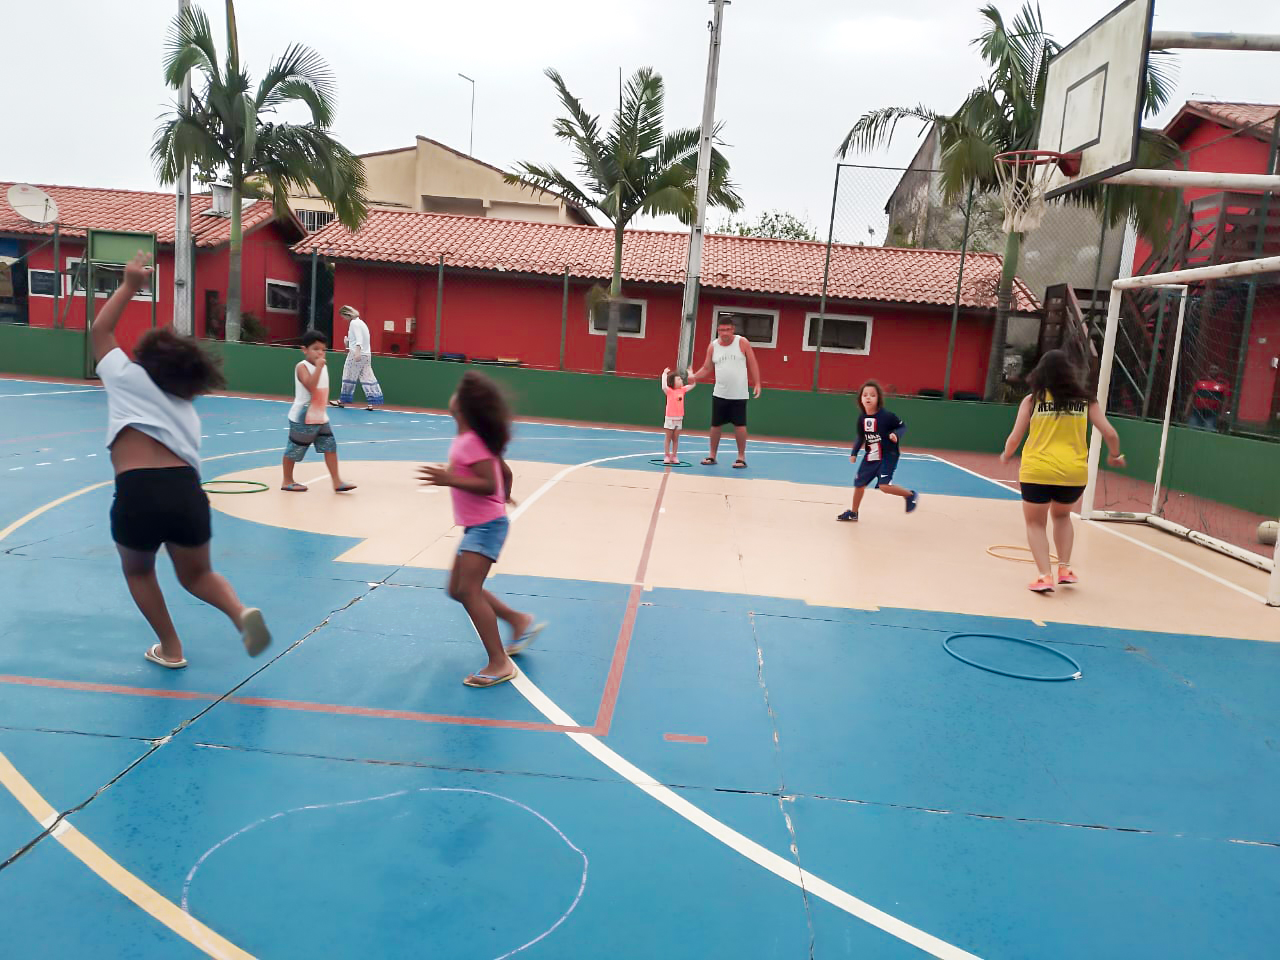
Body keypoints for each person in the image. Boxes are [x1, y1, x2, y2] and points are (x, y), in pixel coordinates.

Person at [91, 252, 271, 669]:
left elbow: (100, 330)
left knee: (139, 571)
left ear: (147, 361)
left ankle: (171, 648)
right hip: (186, 493)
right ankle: (240, 612)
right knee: (197, 574)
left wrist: (130, 285)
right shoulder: (187, 410)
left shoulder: (125, 376)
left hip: (137, 491)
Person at [419, 371, 544, 687]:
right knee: (457, 589)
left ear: (463, 408)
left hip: (486, 527)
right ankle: (518, 620)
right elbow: (504, 472)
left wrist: (450, 479)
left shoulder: (470, 442)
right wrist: (505, 494)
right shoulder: (473, 439)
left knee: (468, 591)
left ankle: (499, 662)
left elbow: (489, 482)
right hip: (479, 526)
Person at [1001, 349, 1125, 593]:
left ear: (1040, 373)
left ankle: (1044, 576)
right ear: (1070, 373)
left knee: (1035, 523)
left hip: (1037, 470)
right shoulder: (1086, 401)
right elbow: (1110, 433)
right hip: (1073, 474)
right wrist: (1114, 455)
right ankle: (1065, 569)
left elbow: (1015, 438)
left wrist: (1006, 454)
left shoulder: (1032, 400)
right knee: (1062, 517)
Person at [281, 331, 357, 493]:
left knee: (330, 446)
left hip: (320, 415)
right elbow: (310, 386)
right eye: (315, 349)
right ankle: (287, 480)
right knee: (295, 448)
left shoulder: (322, 366)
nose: (320, 353)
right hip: (303, 417)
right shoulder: (302, 367)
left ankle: (336, 481)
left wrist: (320, 367)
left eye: (323, 349)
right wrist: (319, 368)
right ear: (305, 350)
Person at [837, 380, 918, 521]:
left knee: (884, 486)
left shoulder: (887, 416)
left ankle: (910, 495)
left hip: (888, 455)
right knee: (859, 485)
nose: (868, 397)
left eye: (872, 395)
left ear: (878, 398)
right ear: (860, 399)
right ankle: (854, 513)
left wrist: (896, 434)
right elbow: (861, 437)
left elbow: (902, 426)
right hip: (871, 456)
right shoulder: (862, 419)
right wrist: (854, 453)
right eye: (865, 395)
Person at [689, 318, 761, 469]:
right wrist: (694, 377)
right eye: (722, 330)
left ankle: (741, 457)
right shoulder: (713, 346)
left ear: (733, 329)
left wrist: (757, 383)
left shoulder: (742, 342)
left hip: (739, 394)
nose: (725, 333)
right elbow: (706, 368)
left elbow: (752, 362)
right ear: (718, 331)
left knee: (740, 426)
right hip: (720, 393)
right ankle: (712, 455)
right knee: (715, 425)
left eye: (728, 330)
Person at [330, 305, 384, 410]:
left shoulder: (354, 323)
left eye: (343, 316)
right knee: (367, 376)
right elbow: (361, 339)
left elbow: (359, 339)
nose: (343, 319)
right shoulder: (362, 323)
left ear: (347, 314)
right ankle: (372, 402)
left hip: (356, 353)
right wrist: (348, 344)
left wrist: (357, 351)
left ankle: (342, 400)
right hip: (367, 354)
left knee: (348, 375)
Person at [659, 366, 696, 465]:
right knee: (668, 438)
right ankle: (667, 456)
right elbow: (663, 386)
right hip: (670, 418)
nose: (681, 381)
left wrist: (690, 374)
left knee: (676, 439)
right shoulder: (669, 391)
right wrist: (664, 374)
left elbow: (693, 385)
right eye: (678, 379)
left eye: (681, 379)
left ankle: (674, 456)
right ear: (673, 383)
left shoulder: (683, 390)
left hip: (679, 418)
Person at [1184, 364, 1231, 431]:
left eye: (1215, 369)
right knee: (1191, 429)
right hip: (1197, 412)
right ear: (1208, 370)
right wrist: (1186, 411)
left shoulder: (1223, 383)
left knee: (1209, 430)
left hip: (1212, 414)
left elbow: (1226, 400)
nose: (1213, 371)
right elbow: (1192, 396)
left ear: (1219, 371)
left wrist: (1222, 415)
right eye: (1211, 369)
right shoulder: (1201, 380)